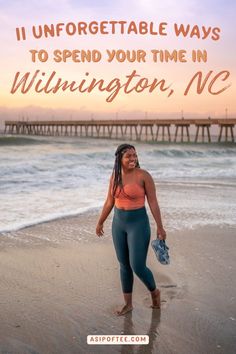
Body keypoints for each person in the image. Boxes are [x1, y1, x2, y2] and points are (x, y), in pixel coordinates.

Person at [96, 143, 166, 316]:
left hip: (138, 224)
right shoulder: (115, 176)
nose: (133, 159)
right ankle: (128, 304)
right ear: (119, 158)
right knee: (124, 265)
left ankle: (154, 292)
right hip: (118, 224)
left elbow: (153, 203)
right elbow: (109, 202)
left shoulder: (143, 176)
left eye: (134, 155)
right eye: (128, 156)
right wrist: (100, 222)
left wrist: (160, 226)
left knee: (137, 266)